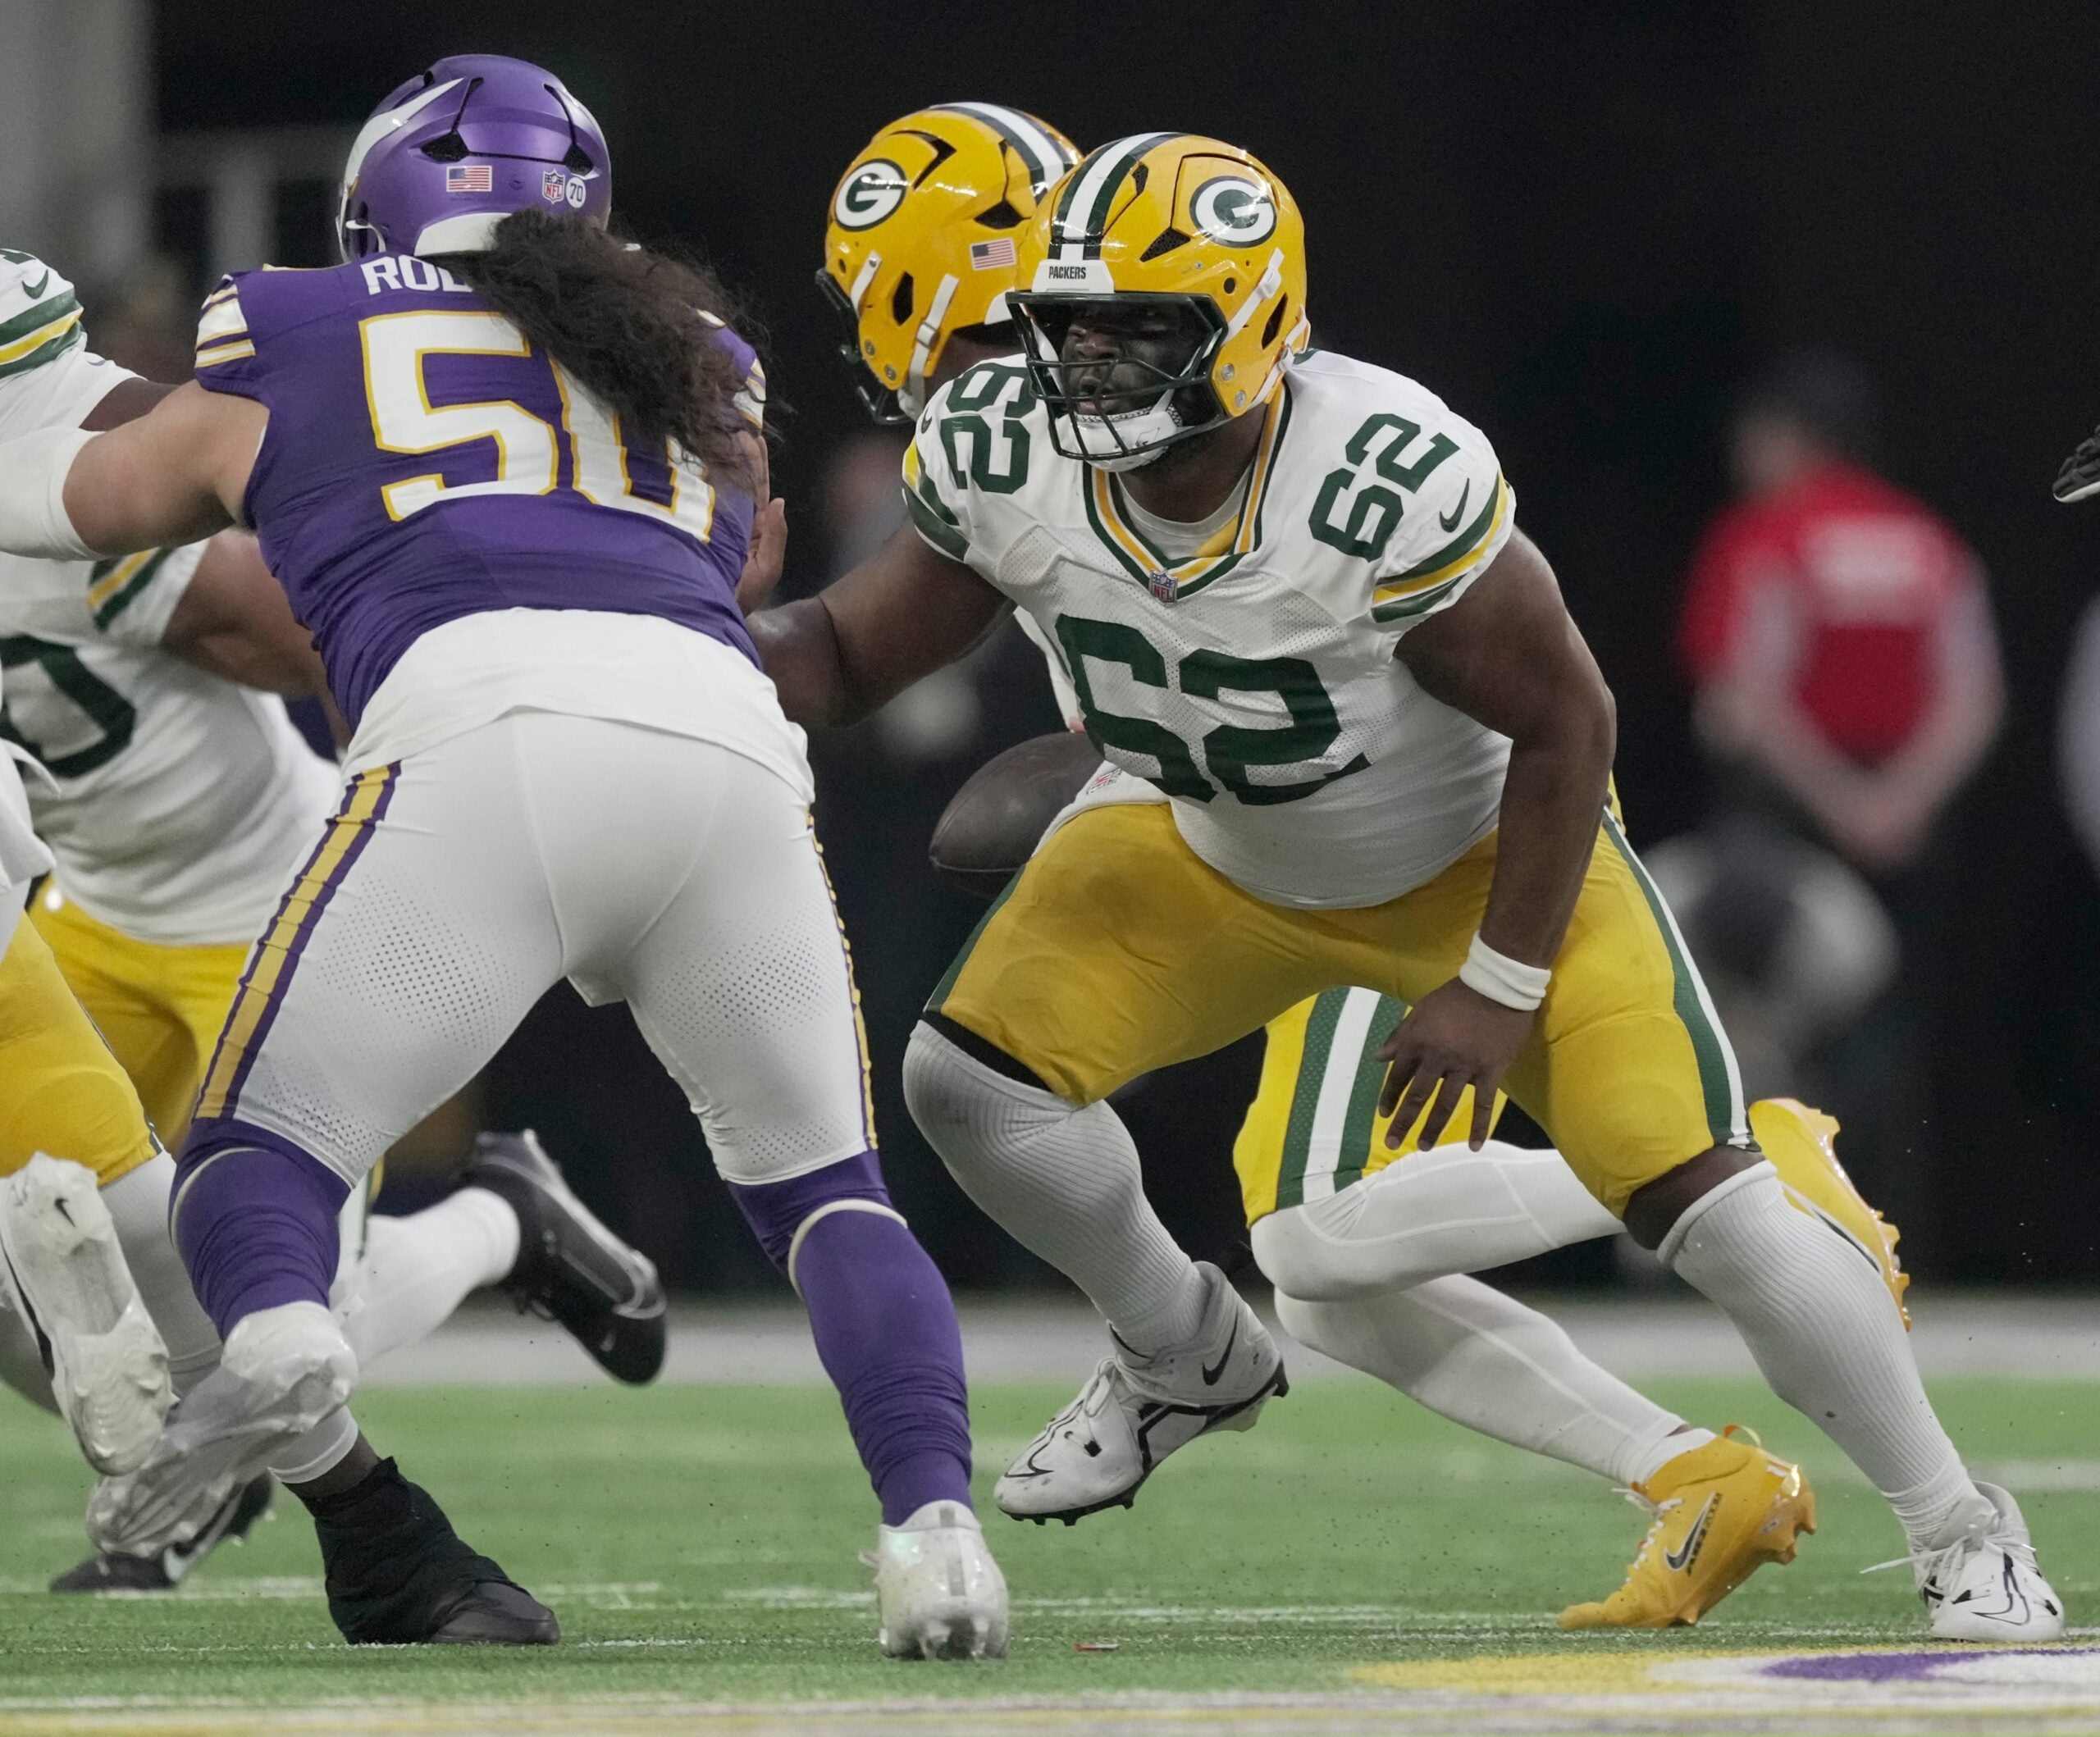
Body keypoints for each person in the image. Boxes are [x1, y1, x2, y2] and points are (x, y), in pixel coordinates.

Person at [754, 133, 2061, 1641]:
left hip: (1469, 860)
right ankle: (1182, 1345)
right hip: (1213, 843)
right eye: (1073, 323)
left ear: (1249, 329)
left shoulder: (1375, 475)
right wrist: (705, 629)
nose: (1094, 362)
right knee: (967, 1082)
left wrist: (1497, 987)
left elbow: (1570, 719)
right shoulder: (1000, 441)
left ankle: (1961, 1520)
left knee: (1717, 1214)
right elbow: (849, 653)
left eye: (1142, 325)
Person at [0, 55, 1006, 1658]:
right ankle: (938, 1535)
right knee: (829, 1193)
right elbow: (737, 548)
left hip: (477, 733)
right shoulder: (704, 354)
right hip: (722, 743)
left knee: (256, 1165)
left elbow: (103, 497)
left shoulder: (293, 321)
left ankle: (282, 1346)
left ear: (377, 205)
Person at [0, 249, 673, 1595]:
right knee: (34, 1286)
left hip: (261, 904)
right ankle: (210, 1465)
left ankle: (499, 1218)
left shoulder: (82, 536)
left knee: (294, 1311)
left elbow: (328, 640)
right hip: (84, 908)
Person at [1675, 353, 2003, 1197]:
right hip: (1909, 831)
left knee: (1753, 1024)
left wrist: (1837, 804)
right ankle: (1897, 1227)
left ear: (1792, 439)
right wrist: (1899, 802)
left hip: (1791, 825)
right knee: (1892, 1032)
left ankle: (1757, 1214)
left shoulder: (1767, 535)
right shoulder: (1930, 543)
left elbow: (1743, 695)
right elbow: (1974, 698)